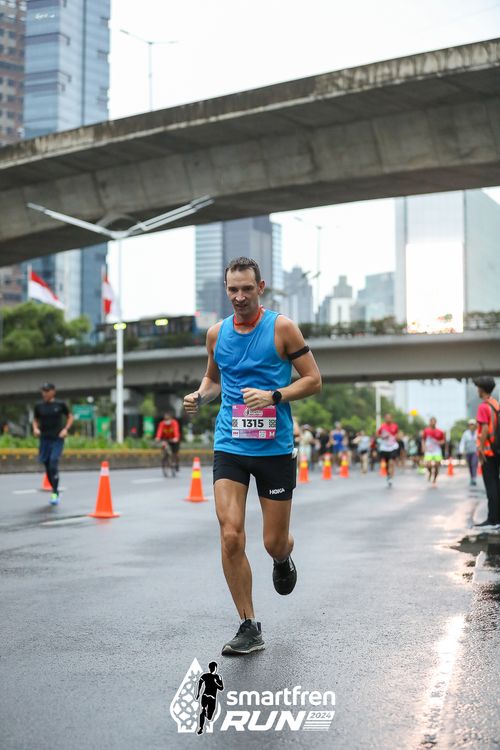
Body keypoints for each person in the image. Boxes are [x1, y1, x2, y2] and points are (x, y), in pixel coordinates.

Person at [183, 256, 322, 655]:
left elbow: (314, 380)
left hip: (274, 447)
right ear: (226, 290)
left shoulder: (282, 328)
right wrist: (200, 395)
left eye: (247, 288)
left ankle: (283, 558)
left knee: (273, 542)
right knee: (230, 533)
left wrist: (274, 396)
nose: (239, 296)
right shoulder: (216, 334)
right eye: (233, 289)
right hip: (230, 443)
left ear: (260, 288)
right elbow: (213, 380)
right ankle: (248, 625)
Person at [33, 382, 73, 505]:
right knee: (47, 466)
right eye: (43, 391)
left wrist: (65, 429)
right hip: (44, 439)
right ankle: (54, 490)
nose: (44, 393)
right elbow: (35, 419)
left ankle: (55, 493)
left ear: (53, 392)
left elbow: (70, 417)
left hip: (57, 439)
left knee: (53, 464)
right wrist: (35, 428)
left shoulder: (60, 404)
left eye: (47, 391)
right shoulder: (39, 406)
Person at [472, 376, 500, 529]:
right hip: (497, 449)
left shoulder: (483, 407)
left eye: (478, 387)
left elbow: (484, 430)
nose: (477, 390)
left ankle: (492, 519)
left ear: (482, 389)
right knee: (496, 483)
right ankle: (497, 518)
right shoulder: (495, 403)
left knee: (491, 485)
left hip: (488, 451)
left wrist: (481, 448)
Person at [196, 661, 224, 735]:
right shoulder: (208, 676)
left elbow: (221, 688)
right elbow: (200, 682)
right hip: (208, 696)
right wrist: (198, 693)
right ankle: (201, 727)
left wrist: (198, 693)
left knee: (209, 717)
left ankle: (205, 714)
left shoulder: (216, 677)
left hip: (209, 697)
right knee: (203, 711)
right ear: (213, 668)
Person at [421, 417, 446, 486]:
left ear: (436, 423)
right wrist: (423, 447)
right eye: (431, 422)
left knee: (437, 466)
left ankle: (434, 479)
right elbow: (423, 439)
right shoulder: (426, 431)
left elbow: (443, 441)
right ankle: (430, 473)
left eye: (434, 422)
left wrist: (440, 442)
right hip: (429, 450)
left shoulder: (440, 431)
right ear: (429, 422)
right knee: (428, 465)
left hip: (437, 450)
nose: (433, 423)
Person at [377, 413, 399, 487]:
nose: (388, 419)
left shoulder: (395, 426)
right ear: (385, 418)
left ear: (391, 418)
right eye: (386, 417)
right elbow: (378, 434)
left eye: (389, 417)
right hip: (385, 447)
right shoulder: (382, 426)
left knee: (391, 462)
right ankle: (388, 475)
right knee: (386, 463)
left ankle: (391, 476)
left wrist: (395, 437)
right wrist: (383, 436)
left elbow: (397, 434)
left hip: (393, 446)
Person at [459, 419, 479, 487]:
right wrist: (461, 450)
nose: (471, 426)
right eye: (470, 425)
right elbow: (462, 442)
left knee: (474, 464)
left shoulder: (477, 432)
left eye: (473, 425)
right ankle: (471, 477)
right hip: (468, 452)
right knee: (470, 465)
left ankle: (474, 479)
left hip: (475, 452)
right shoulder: (466, 433)